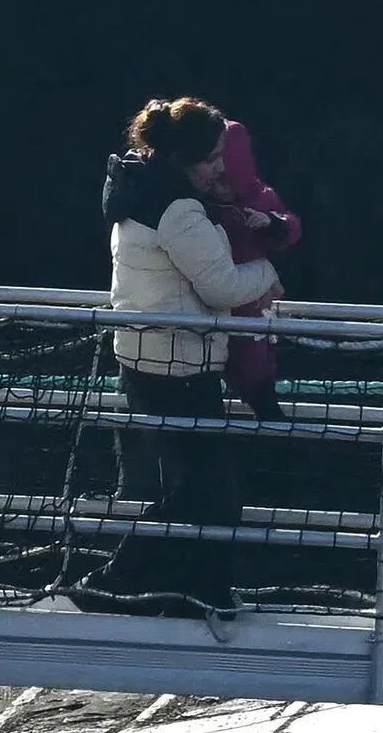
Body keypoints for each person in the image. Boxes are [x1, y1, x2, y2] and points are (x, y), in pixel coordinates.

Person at [97, 95, 283, 615]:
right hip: (179, 366)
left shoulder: (135, 190)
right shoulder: (179, 210)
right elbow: (223, 287)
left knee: (199, 487)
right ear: (186, 159)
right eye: (212, 157)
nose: (220, 167)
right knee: (210, 493)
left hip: (144, 359)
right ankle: (122, 580)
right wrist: (268, 275)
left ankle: (193, 591)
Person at [207, 119, 302, 422]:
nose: (220, 184)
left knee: (255, 376)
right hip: (206, 309)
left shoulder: (261, 197)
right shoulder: (196, 201)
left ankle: (273, 432)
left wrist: (272, 224)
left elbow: (291, 227)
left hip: (249, 308)